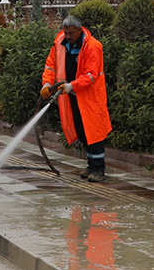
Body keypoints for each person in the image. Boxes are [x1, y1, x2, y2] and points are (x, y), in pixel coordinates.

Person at [40, 15, 112, 182]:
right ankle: (91, 165)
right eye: (66, 33)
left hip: (90, 97)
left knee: (93, 132)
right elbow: (50, 66)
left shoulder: (93, 46)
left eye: (71, 33)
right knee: (81, 131)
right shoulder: (60, 43)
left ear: (80, 30)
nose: (68, 36)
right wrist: (46, 84)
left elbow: (91, 74)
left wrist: (72, 85)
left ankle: (99, 169)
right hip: (72, 96)